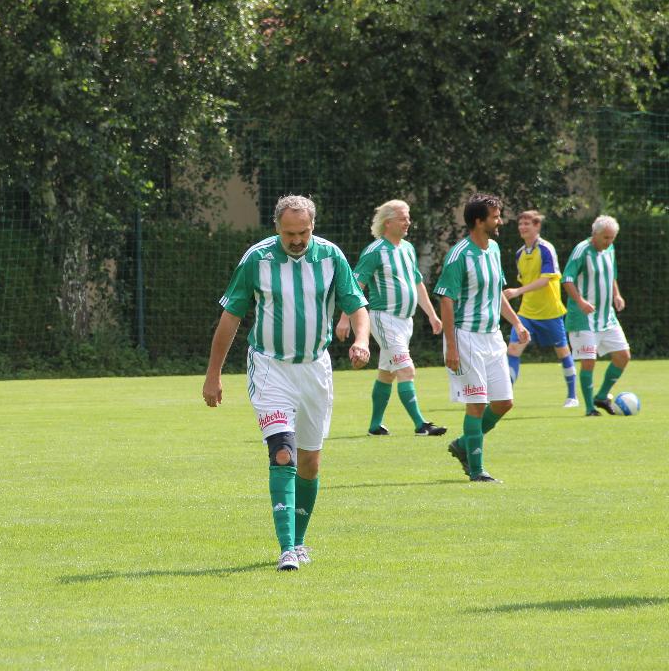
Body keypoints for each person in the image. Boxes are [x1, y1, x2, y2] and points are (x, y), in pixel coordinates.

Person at [203, 194, 371, 572]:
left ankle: (299, 541)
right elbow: (230, 317)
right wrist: (213, 374)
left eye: (303, 233)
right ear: (277, 228)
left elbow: (356, 305)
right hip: (270, 367)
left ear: (313, 226)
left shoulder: (330, 256)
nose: (297, 240)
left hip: (315, 369)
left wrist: (361, 340)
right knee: (282, 452)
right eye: (289, 234)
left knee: (310, 462)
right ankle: (286, 550)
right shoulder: (257, 259)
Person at [437, 193, 529, 483]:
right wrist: (452, 347)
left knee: (504, 402)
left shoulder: (494, 249)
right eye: (495, 217)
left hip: (492, 337)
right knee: (476, 404)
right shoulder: (459, 255)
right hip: (466, 337)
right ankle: (477, 471)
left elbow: (496, 293)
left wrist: (517, 323)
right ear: (479, 221)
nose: (500, 221)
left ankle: (463, 444)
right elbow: (446, 300)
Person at [335, 200, 446, 437]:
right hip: (384, 319)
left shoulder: (407, 248)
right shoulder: (375, 251)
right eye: (403, 218)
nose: (408, 222)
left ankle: (375, 426)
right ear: (388, 222)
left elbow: (417, 284)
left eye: (408, 218)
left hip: (406, 321)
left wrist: (432, 315)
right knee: (406, 370)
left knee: (387, 373)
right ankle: (421, 425)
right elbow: (355, 285)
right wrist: (345, 319)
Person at [504, 210, 579, 409]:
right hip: (526, 313)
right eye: (520, 224)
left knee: (562, 352)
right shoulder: (520, 253)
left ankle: (572, 396)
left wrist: (518, 291)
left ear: (537, 226)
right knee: (513, 349)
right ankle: (505, 396)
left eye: (527, 223)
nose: (522, 227)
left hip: (550, 312)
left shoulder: (546, 249)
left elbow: (545, 280)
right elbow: (526, 280)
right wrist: (520, 292)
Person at [562, 215, 630, 416]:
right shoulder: (581, 250)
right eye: (605, 238)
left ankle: (601, 396)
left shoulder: (610, 249)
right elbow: (567, 279)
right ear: (595, 234)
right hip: (583, 318)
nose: (609, 242)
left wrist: (616, 295)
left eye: (612, 238)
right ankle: (590, 408)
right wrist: (581, 301)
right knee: (589, 361)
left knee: (623, 356)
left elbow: (612, 275)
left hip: (606, 317)